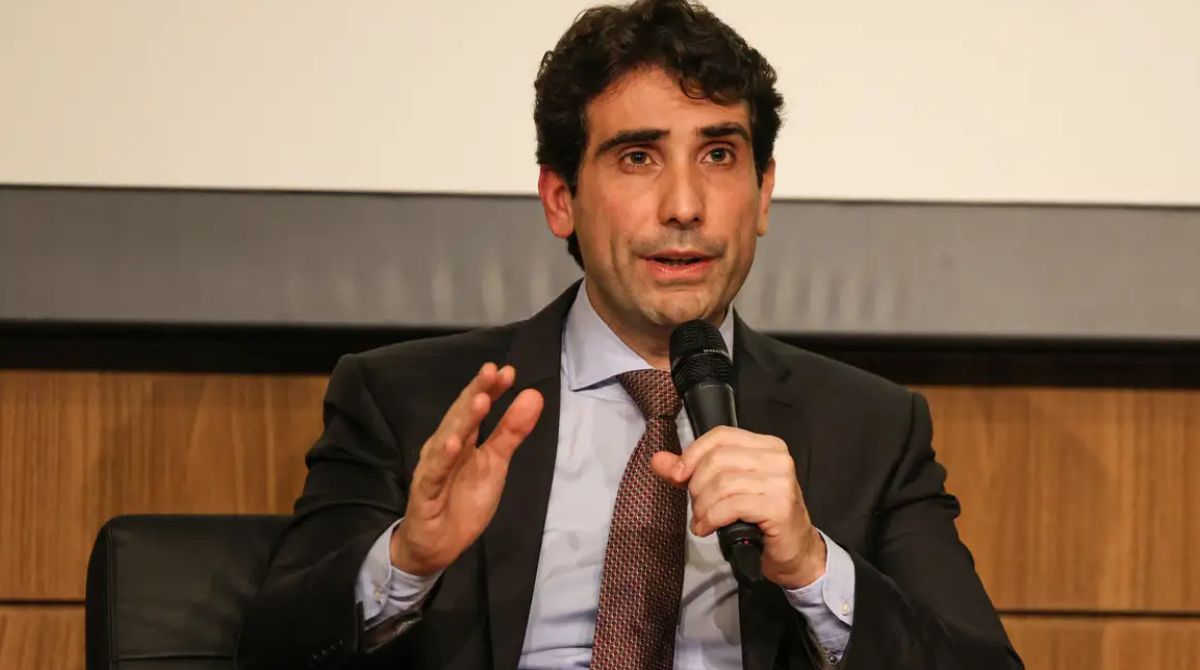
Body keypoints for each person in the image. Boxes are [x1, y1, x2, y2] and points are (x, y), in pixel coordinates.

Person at [236, 0, 1022, 668]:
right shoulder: (409, 400)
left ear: (763, 194)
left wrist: (814, 569)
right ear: (561, 199)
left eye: (719, 154)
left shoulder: (871, 428)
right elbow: (269, 649)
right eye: (639, 156)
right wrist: (407, 561)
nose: (684, 205)